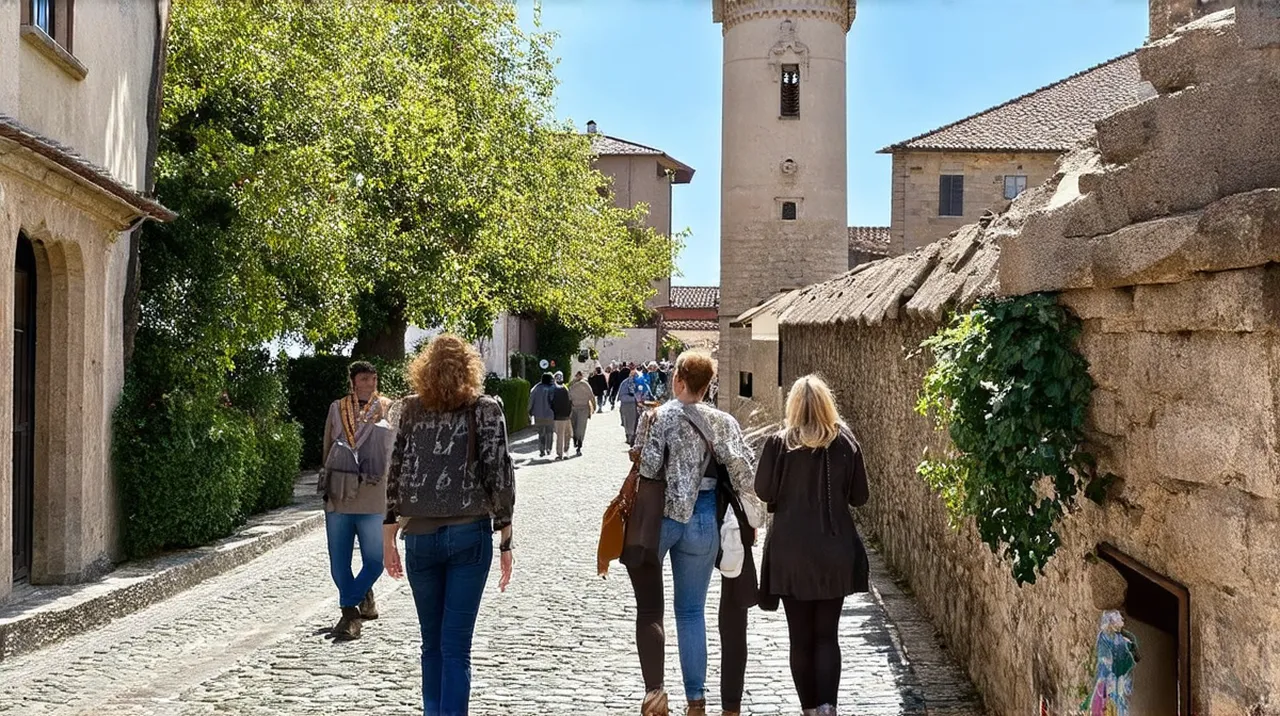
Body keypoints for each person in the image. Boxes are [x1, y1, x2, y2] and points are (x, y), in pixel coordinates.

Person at [382, 335, 516, 716]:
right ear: (470, 368)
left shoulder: (409, 409)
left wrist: (389, 536)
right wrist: (506, 539)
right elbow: (500, 475)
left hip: (420, 537)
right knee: (456, 646)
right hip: (469, 533)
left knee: (431, 645)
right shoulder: (486, 409)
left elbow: (395, 472)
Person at [625, 351, 759, 716]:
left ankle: (655, 692)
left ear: (679, 380)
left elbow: (649, 467)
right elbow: (744, 473)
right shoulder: (725, 422)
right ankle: (696, 700)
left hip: (661, 518)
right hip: (703, 517)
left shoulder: (657, 417)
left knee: (650, 608)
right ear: (708, 384)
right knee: (690, 612)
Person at [755, 375, 870, 716]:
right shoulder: (845, 443)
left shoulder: (779, 444)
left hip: (790, 552)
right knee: (827, 635)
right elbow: (860, 496)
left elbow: (763, 491)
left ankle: (808, 709)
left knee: (800, 638)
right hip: (834, 550)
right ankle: (828, 708)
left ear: (792, 406)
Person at [318, 361, 395, 641]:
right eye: (363, 379)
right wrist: (325, 484)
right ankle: (353, 612)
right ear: (352, 382)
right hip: (340, 493)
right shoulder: (337, 409)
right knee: (339, 563)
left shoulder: (387, 408)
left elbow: (395, 452)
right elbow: (327, 448)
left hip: (374, 495)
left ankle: (350, 607)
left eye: (373, 378)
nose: (369, 383)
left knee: (375, 561)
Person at [568, 370, 597, 456]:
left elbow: (568, 397)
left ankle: (578, 442)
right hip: (578, 408)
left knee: (578, 426)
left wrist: (593, 406)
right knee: (579, 426)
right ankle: (577, 441)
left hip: (578, 408)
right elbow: (591, 396)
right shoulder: (582, 384)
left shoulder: (577, 384)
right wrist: (594, 407)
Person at [529, 373, 555, 457]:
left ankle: (542, 449)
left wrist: (529, 410)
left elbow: (531, 400)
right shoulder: (552, 388)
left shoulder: (536, 388)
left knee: (541, 433)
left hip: (538, 414)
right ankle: (549, 448)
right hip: (551, 414)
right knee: (549, 432)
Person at [551, 371, 573, 460]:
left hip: (561, 416)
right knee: (565, 435)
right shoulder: (564, 389)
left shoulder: (555, 389)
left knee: (563, 435)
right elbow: (570, 401)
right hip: (563, 416)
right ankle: (563, 453)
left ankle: (562, 453)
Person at [617, 368, 643, 445]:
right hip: (627, 405)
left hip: (636, 406)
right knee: (628, 422)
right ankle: (629, 436)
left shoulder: (640, 382)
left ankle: (633, 437)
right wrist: (634, 398)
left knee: (635, 422)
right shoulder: (625, 383)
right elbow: (621, 396)